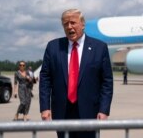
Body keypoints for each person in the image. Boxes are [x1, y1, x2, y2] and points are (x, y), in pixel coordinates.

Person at [39, 9, 113, 138]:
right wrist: (45, 107)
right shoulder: (53, 47)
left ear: (83, 24)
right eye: (65, 24)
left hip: (90, 112)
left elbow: (107, 82)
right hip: (62, 112)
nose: (69, 27)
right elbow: (45, 78)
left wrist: (104, 109)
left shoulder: (99, 48)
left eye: (73, 22)